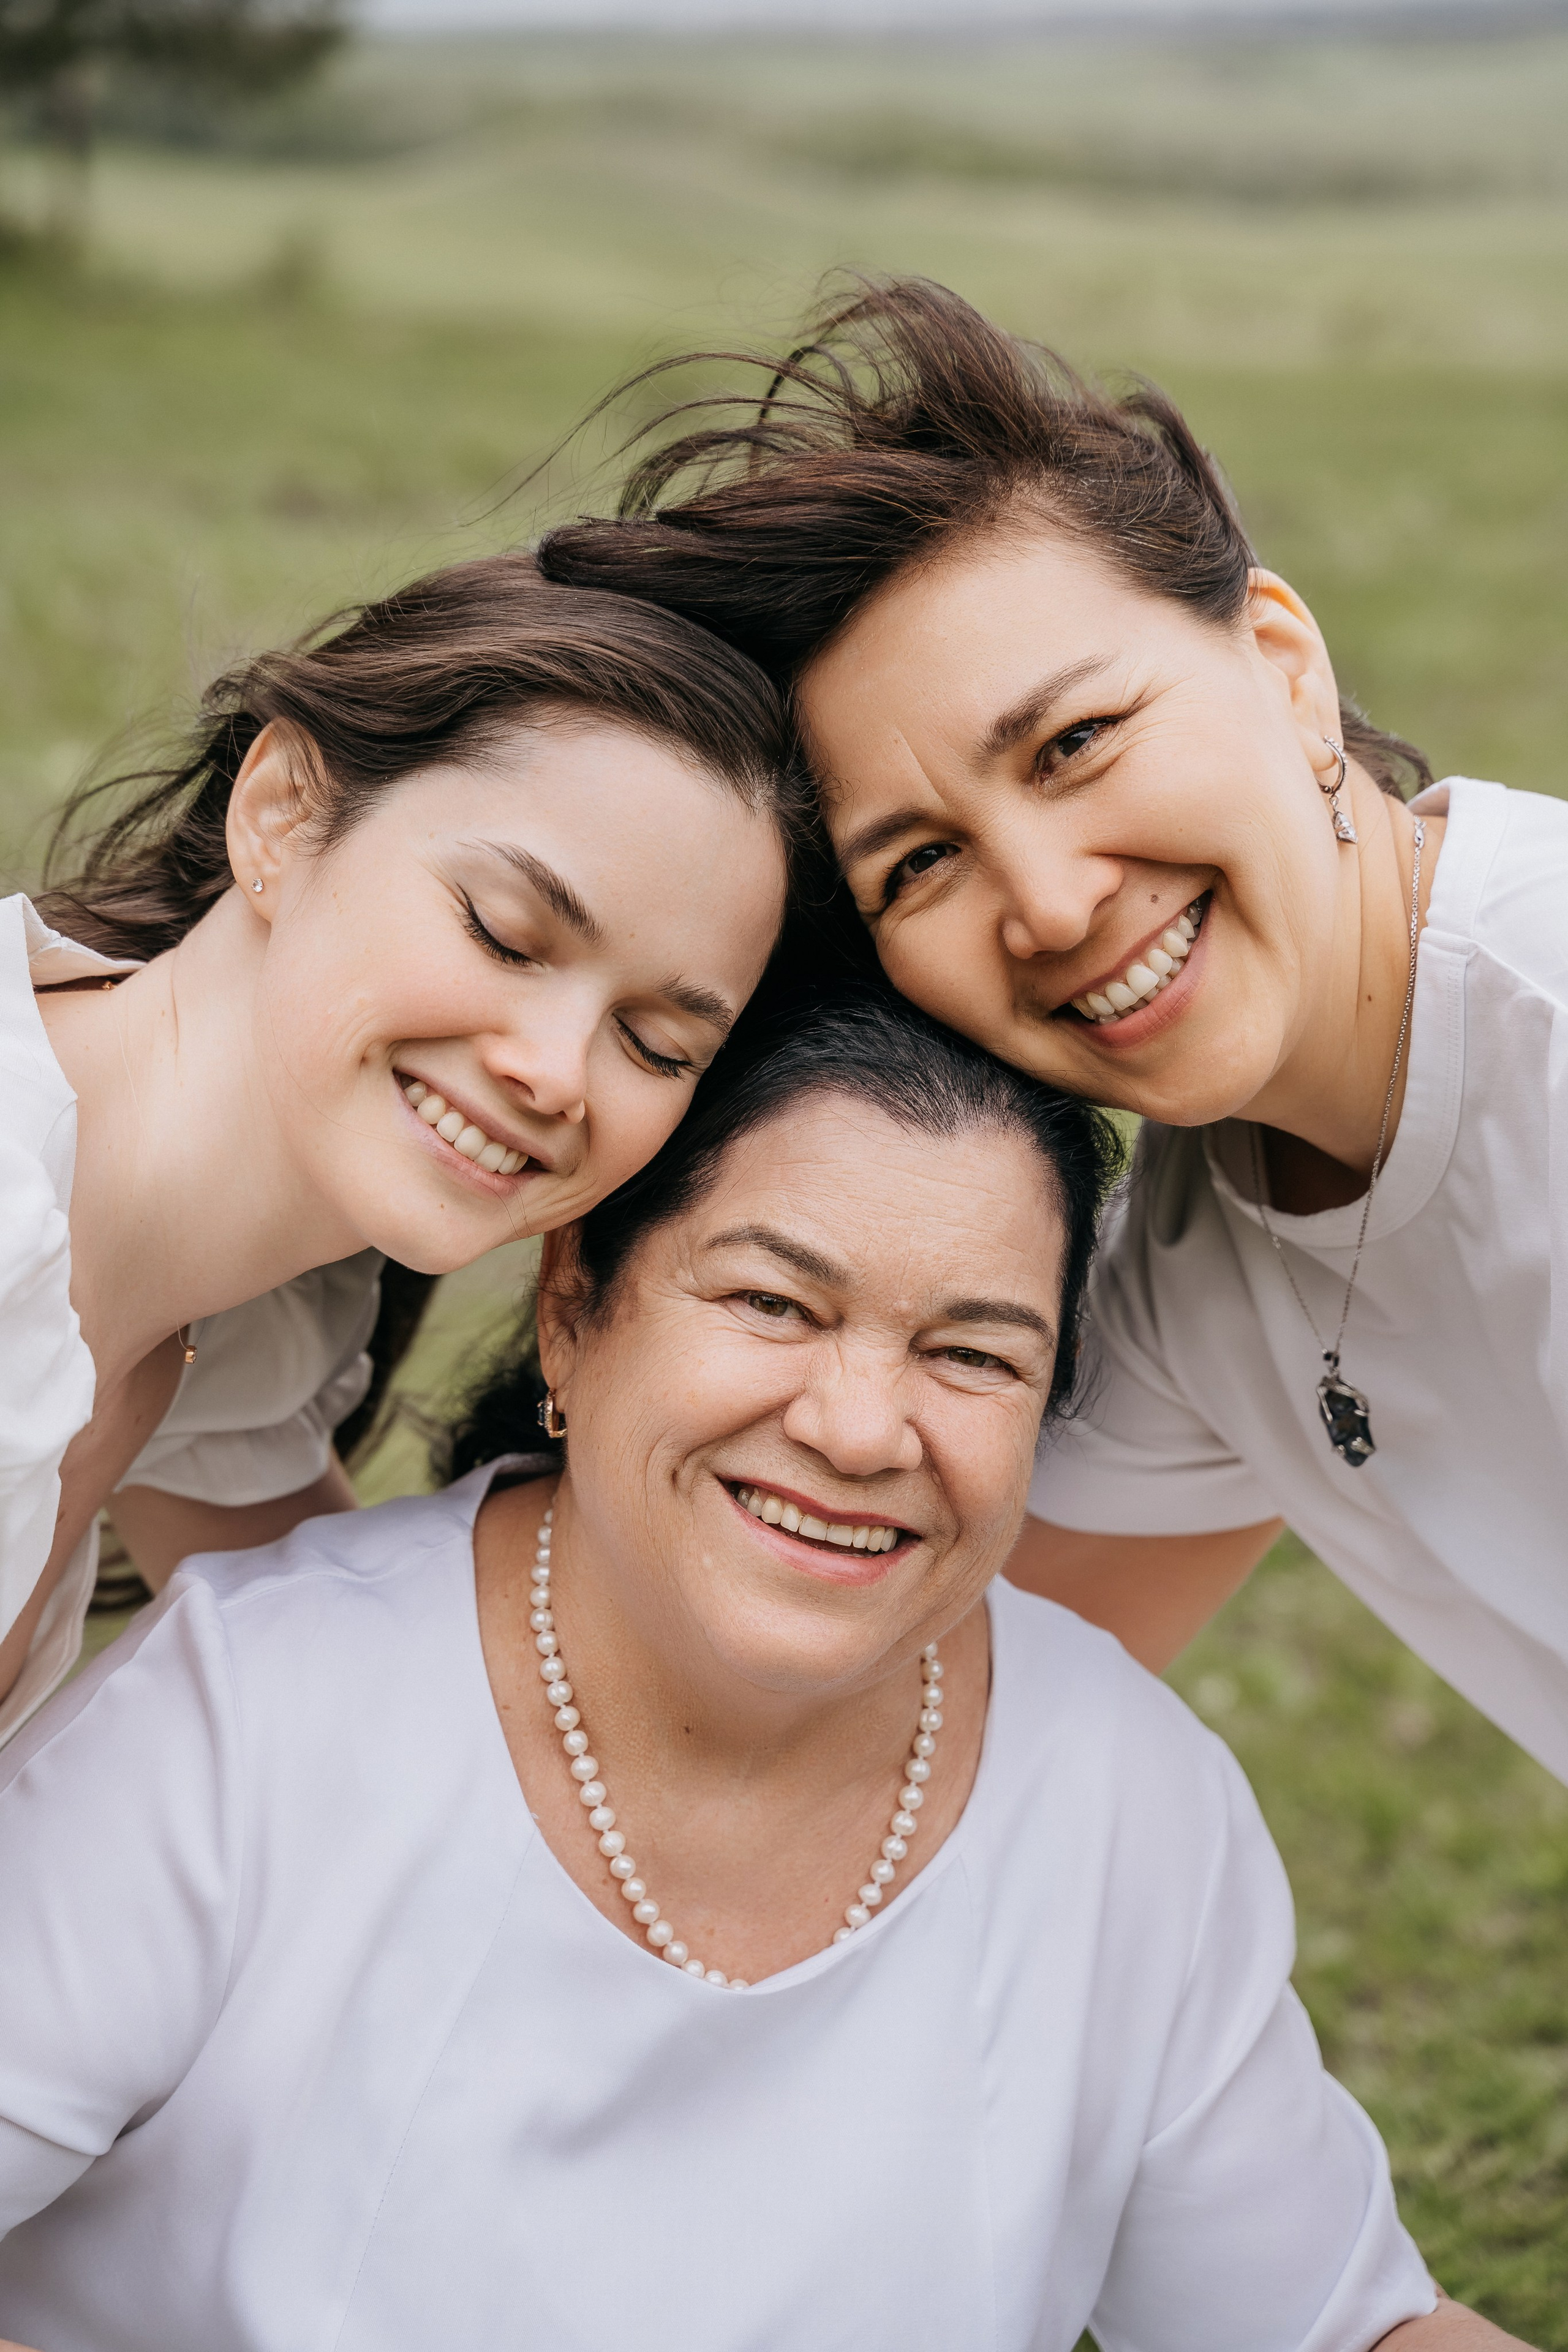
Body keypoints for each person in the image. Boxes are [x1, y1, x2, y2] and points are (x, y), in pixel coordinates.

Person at [0, 987, 1529, 2352]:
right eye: (772, 1304)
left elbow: (1335, 2328)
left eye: (973, 1354)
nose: (862, 1431)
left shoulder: (1122, 1794)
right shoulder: (242, 1718)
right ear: (572, 1307)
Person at [533, 276, 1568, 1785]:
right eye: (920, 863)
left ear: (1283, 669)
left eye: (1074, 743)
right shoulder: (1193, 1256)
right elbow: (939, 1687)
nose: (1050, 904)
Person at [0, 551, 798, 1744]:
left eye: (654, 1043)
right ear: (283, 813)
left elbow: (387, 1728)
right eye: (505, 935)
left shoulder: (237, 1324)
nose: (554, 1070)